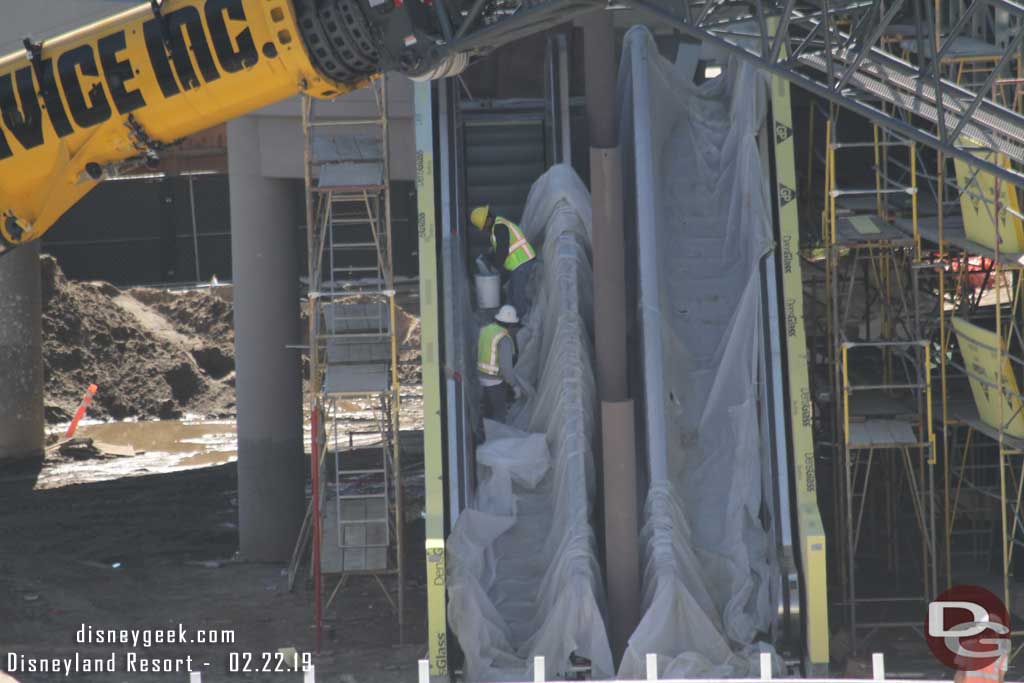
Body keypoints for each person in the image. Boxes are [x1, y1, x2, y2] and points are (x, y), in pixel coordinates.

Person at [470, 206, 536, 317]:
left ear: (488, 220)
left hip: (522, 263)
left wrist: (493, 265)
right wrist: (490, 257)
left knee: (517, 297)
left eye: (483, 226)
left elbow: (502, 252)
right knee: (511, 295)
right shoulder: (498, 227)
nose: (484, 229)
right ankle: (513, 321)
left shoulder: (499, 228)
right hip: (519, 265)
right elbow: (501, 250)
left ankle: (523, 322)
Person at [477, 305, 524, 422]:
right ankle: (498, 438)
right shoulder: (504, 339)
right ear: (511, 324)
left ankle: (485, 436)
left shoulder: (485, 329)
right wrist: (514, 385)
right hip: (495, 382)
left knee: (486, 412)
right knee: (498, 415)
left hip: (480, 377)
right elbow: (505, 368)